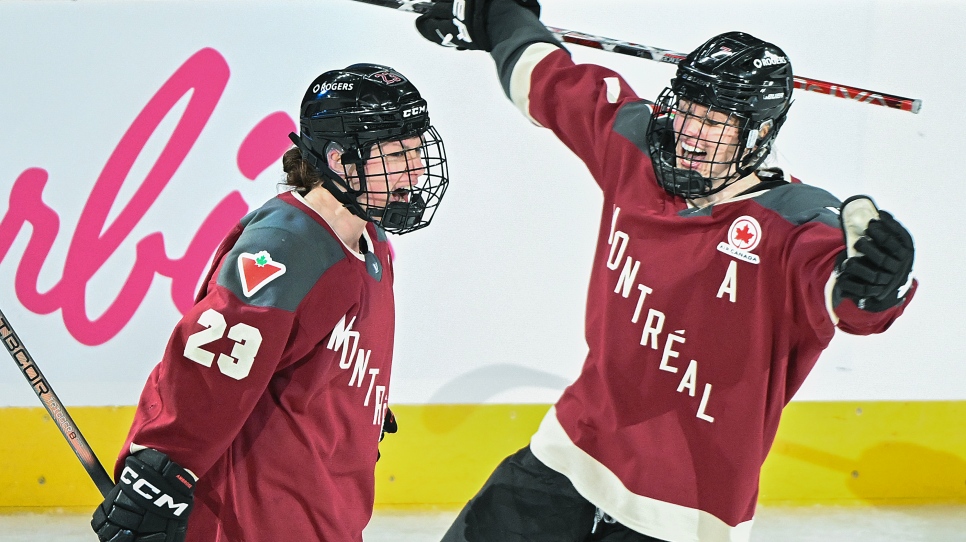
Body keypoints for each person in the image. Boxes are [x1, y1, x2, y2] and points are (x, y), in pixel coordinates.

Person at [414, 2, 917, 541]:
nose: (692, 134)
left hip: (683, 516)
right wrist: (497, 14)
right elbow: (551, 79)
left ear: (758, 133)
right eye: (689, 111)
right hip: (569, 458)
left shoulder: (796, 223)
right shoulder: (637, 148)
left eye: (716, 123)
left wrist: (879, 285)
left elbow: (846, 295)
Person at [90, 63, 449, 542]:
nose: (417, 169)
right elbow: (206, 371)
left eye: (417, 150)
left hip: (327, 512)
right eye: (399, 154)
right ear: (342, 161)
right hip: (255, 524)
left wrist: (348, 406)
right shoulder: (285, 249)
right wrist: (158, 470)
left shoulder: (371, 238)